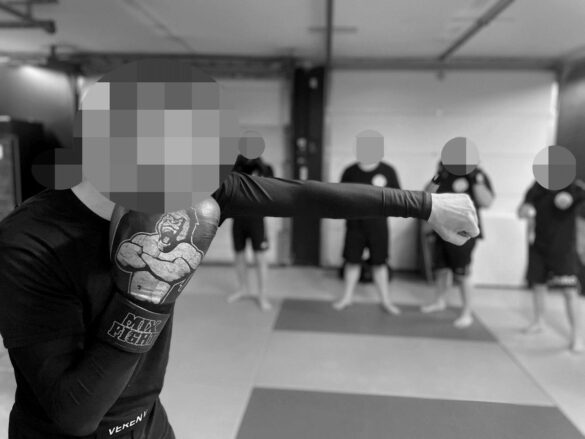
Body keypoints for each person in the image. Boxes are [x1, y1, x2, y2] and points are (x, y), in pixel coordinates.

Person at [0, 59, 479, 438]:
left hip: (149, 419)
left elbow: (303, 196)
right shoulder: (29, 241)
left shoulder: (188, 188)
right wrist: (145, 298)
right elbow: (75, 414)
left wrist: (425, 205)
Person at [333, 132, 402, 314]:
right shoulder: (350, 171)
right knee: (352, 261)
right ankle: (347, 297)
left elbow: (397, 197)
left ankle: (385, 301)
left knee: (380, 263)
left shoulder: (388, 171)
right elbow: (340, 197)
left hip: (378, 226)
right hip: (355, 225)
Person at [421, 162, 494, 328]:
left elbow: (487, 202)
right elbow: (426, 196)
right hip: (441, 228)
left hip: (465, 232)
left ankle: (467, 312)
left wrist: (476, 179)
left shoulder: (478, 175)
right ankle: (439, 301)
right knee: (440, 269)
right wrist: (437, 176)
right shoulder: (444, 173)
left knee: (462, 272)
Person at [518, 180, 585, 352]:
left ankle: (577, 337)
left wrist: (568, 198)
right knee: (538, 285)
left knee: (569, 291)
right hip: (539, 246)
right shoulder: (537, 187)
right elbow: (523, 209)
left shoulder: (573, 186)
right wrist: (525, 210)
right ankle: (539, 321)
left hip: (563, 249)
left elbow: (577, 196)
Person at [227, 155, 275, 310]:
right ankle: (243, 289)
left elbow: (271, 191)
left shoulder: (265, 168)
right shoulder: (235, 168)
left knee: (260, 257)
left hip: (256, 219)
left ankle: (262, 294)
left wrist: (259, 169)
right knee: (239, 255)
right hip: (238, 218)